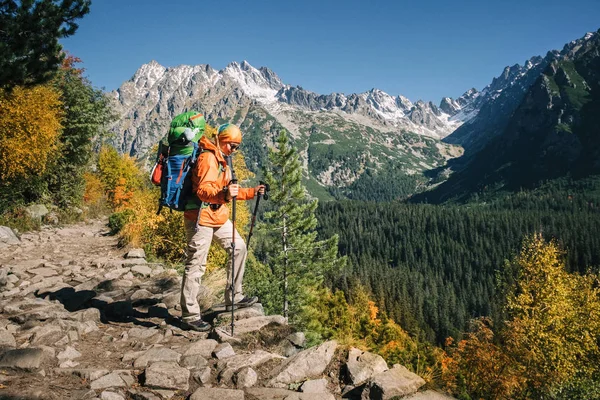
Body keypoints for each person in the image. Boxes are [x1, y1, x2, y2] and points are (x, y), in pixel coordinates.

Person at [180, 123, 265, 332]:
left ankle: (234, 296)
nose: (233, 150)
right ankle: (190, 314)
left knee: (239, 248)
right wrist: (224, 195)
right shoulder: (208, 158)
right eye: (231, 145)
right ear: (221, 140)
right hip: (200, 218)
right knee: (196, 264)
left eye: (237, 147)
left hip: (217, 216)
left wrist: (252, 191)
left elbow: (229, 191)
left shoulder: (222, 159)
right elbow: (203, 190)